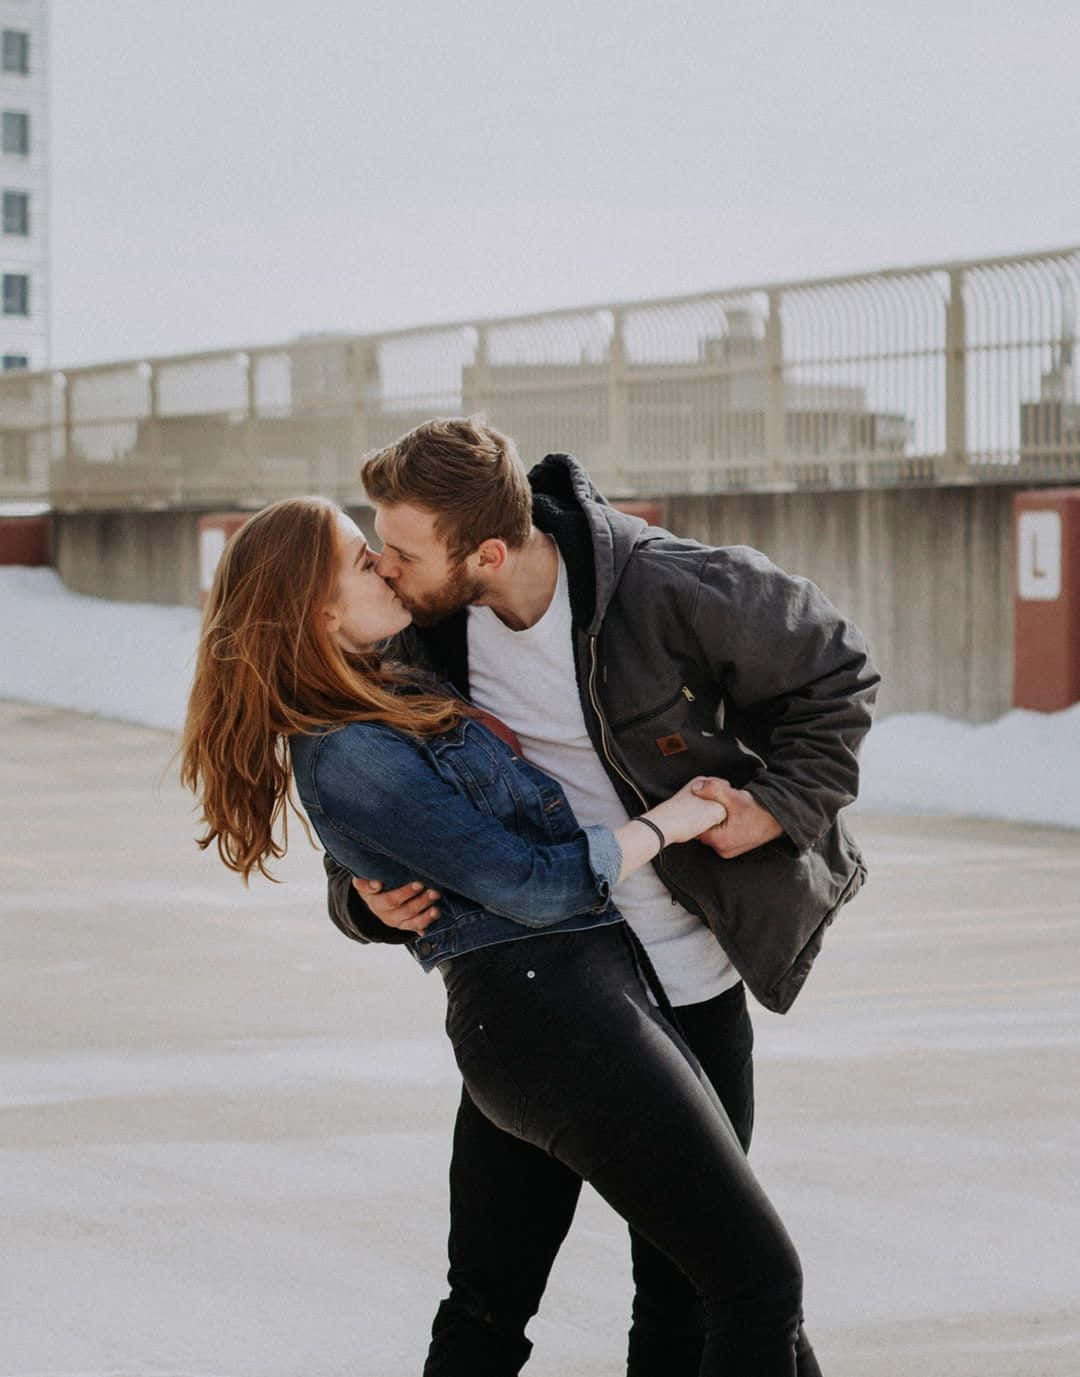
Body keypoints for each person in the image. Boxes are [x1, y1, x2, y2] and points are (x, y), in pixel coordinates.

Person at [180, 495, 825, 1376]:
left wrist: (368, 897)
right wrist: (671, 822)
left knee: (539, 1301)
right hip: (552, 1010)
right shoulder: (351, 745)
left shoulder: (395, 673)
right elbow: (528, 881)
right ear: (317, 610)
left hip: (582, 999)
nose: (387, 564)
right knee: (753, 1284)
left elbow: (429, 838)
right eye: (364, 558)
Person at [326, 417, 879, 1376]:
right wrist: (360, 902)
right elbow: (377, 796)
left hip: (690, 990)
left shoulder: (660, 585)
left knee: (686, 1297)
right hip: (545, 996)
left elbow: (836, 672)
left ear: (486, 552)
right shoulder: (423, 632)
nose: (384, 565)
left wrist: (777, 806)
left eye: (403, 550)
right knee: (488, 1293)